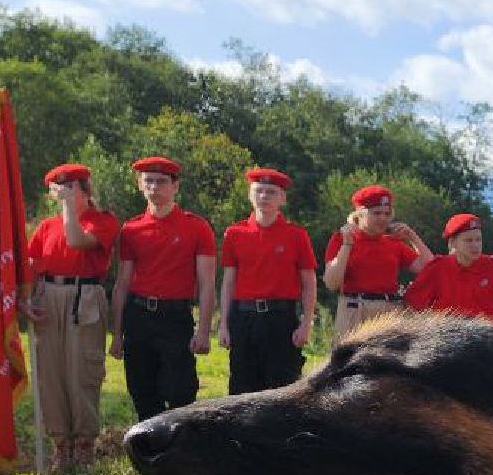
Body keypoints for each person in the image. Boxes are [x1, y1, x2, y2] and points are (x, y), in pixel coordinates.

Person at [21, 163, 121, 473]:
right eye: (59, 189)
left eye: (72, 187)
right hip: (48, 296)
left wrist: (68, 209)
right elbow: (32, 265)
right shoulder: (47, 227)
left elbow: (78, 241)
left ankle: (83, 446)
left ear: (86, 189)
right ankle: (60, 446)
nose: (66, 193)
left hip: (84, 297)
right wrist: (25, 300)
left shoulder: (102, 221)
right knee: (51, 374)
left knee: (82, 371)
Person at [110, 156, 217, 421]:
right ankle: (150, 454)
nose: (155, 187)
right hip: (139, 317)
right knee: (141, 390)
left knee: (181, 391)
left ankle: (179, 453)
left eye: (161, 181)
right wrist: (116, 334)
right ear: (140, 185)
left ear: (175, 187)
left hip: (175, 318)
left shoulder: (197, 227)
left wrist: (203, 331)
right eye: (149, 181)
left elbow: (207, 283)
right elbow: (122, 284)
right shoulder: (131, 229)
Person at [218, 168, 317, 395]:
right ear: (250, 195)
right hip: (244, 319)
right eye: (259, 191)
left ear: (282, 198)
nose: (264, 196)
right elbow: (228, 282)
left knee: (283, 387)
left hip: (280, 320)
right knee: (242, 387)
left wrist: (306, 323)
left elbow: (309, 282)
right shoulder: (235, 233)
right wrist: (224, 323)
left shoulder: (296, 235)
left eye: (271, 192)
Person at [323, 184, 433, 339]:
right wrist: (347, 245)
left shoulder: (393, 243)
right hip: (355, 309)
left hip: (388, 312)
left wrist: (413, 237)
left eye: (387, 214)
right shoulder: (341, 239)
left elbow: (430, 268)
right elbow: (331, 283)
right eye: (376, 213)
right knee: (352, 362)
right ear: (360, 214)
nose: (383, 218)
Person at [400, 213, 493, 323]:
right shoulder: (437, 268)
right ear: (452, 243)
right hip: (448, 343)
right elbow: (410, 305)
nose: (475, 245)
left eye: (478, 239)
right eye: (468, 240)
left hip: (490, 343)